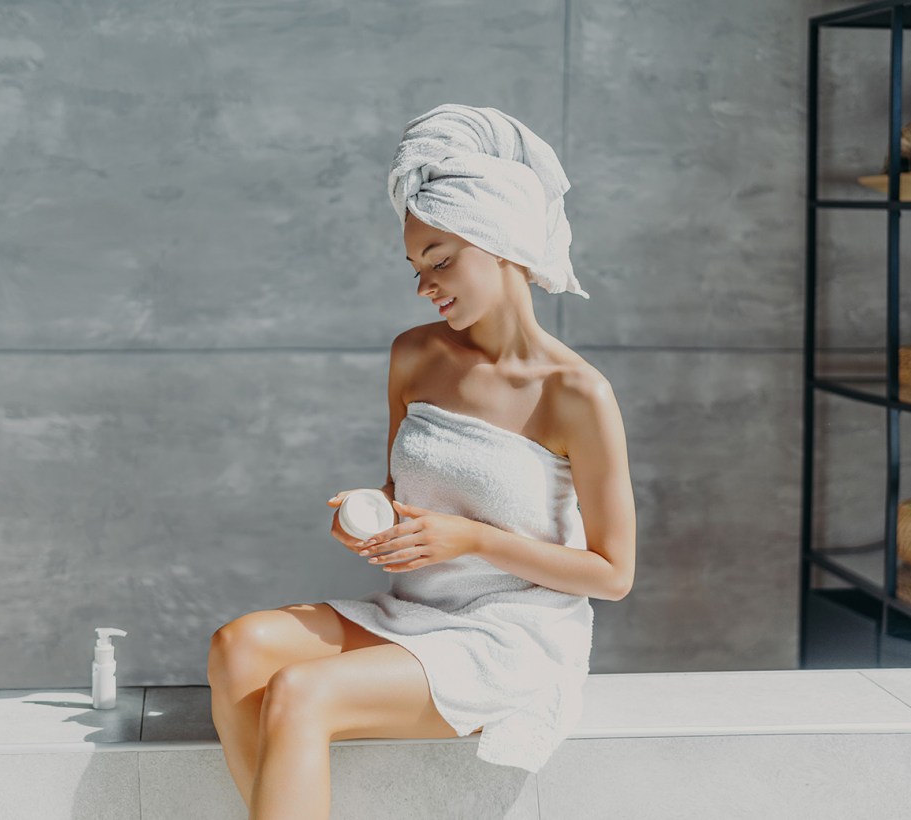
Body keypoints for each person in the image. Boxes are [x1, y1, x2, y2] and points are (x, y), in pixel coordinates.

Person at [207, 104, 636, 820]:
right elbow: (401, 490)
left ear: (501, 244)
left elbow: (613, 576)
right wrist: (367, 517)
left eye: (441, 259)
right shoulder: (415, 354)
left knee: (301, 691)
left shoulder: (576, 394)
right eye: (416, 265)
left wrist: (472, 541)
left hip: (511, 635)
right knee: (239, 647)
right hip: (412, 615)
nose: (425, 284)